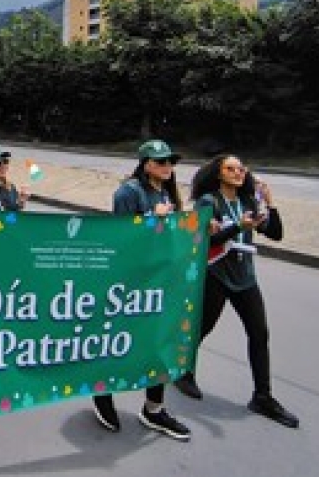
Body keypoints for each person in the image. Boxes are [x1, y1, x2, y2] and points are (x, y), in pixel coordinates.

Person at [174, 154, 299, 428]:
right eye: (230, 169)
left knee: (259, 333)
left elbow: (275, 233)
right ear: (219, 174)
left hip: (245, 278)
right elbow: (203, 240)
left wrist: (271, 203)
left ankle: (262, 397)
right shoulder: (209, 202)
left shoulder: (248, 202)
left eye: (241, 169)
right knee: (202, 327)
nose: (238, 172)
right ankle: (181, 371)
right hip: (216, 275)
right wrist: (237, 227)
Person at [91, 139, 191, 441]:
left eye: (170, 161)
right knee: (119, 340)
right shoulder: (128, 192)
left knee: (158, 343)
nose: (167, 166)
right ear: (145, 164)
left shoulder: (166, 192)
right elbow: (121, 240)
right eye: (161, 161)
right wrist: (151, 220)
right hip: (129, 283)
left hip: (158, 281)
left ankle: (154, 409)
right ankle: (102, 392)